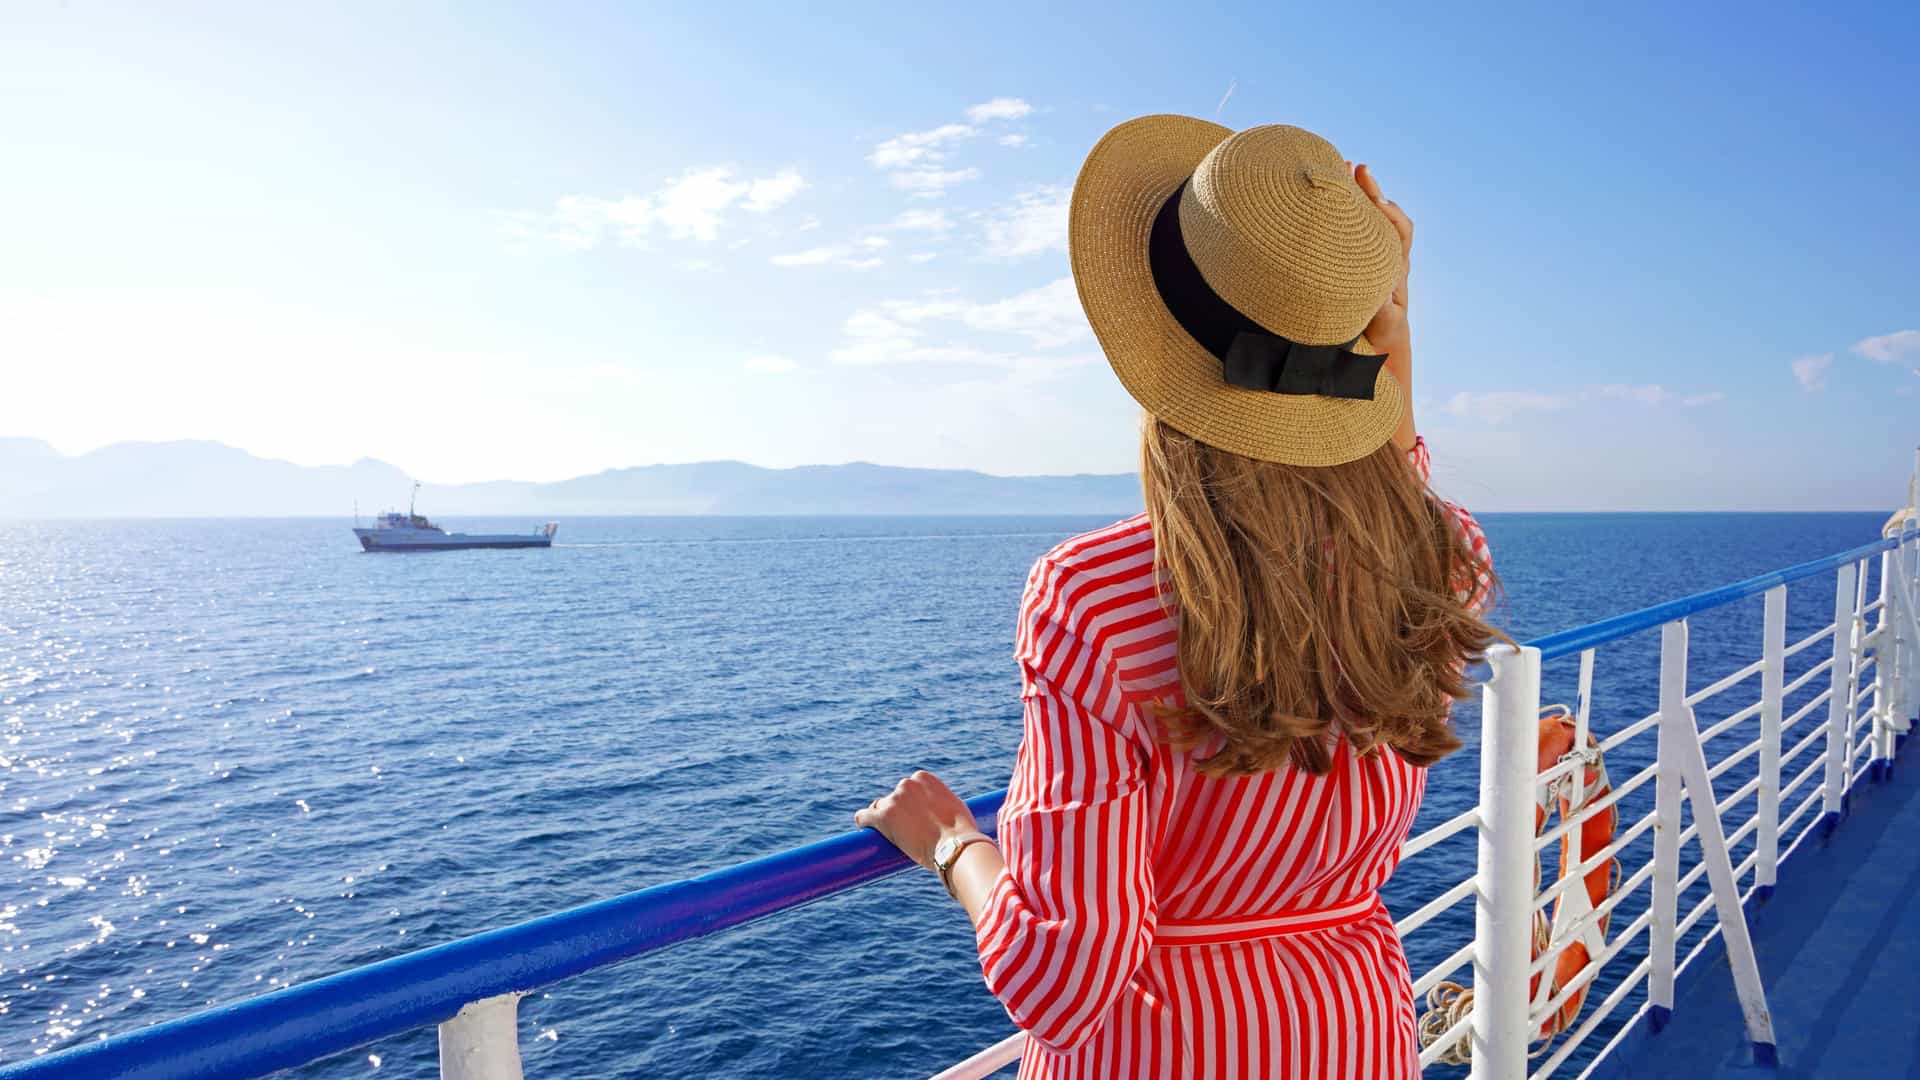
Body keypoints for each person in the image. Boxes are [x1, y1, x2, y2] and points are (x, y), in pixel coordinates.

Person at [857, 116, 1500, 1079]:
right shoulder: (1443, 564)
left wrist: (954, 844)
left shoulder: (1094, 599)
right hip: (1352, 1035)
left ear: (1148, 343)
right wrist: (1385, 329)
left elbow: (1066, 980)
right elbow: (1395, 485)